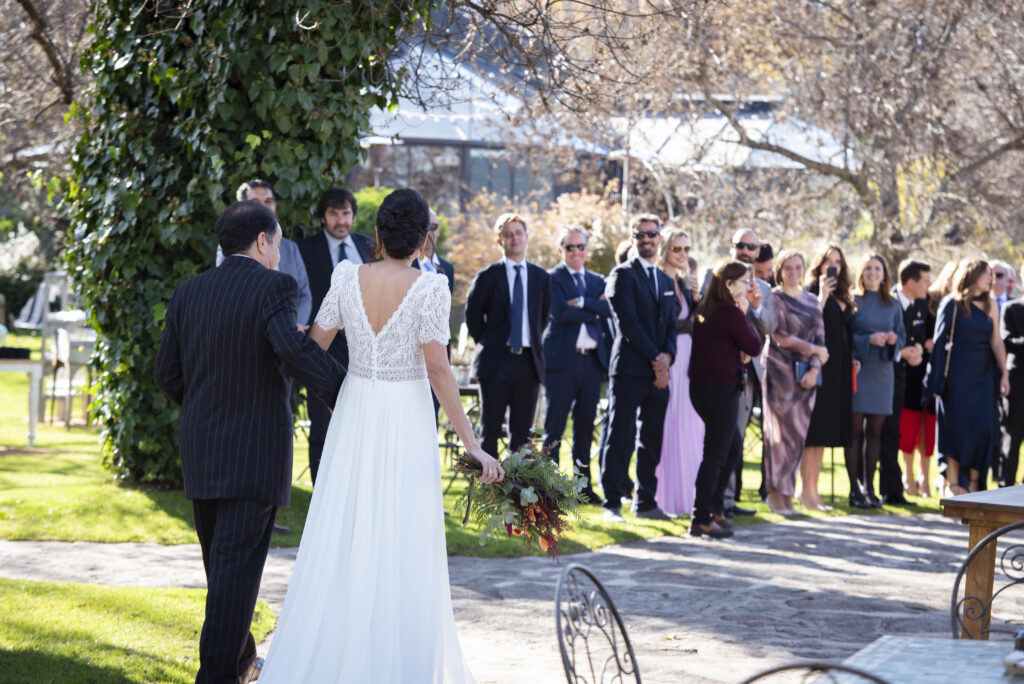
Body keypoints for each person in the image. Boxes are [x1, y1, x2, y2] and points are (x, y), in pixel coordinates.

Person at [258, 189, 504, 682]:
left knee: (347, 527)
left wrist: (334, 387)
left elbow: (314, 346)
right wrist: (472, 443)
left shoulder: (347, 277)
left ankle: (337, 653)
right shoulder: (430, 287)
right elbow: (438, 370)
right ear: (423, 239)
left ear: (377, 234)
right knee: (403, 533)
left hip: (355, 411)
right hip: (406, 418)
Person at [154, 201, 346, 684]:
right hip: (254, 452)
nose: (279, 255)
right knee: (233, 577)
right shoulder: (274, 286)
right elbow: (292, 350)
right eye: (277, 244)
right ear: (262, 241)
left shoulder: (189, 291)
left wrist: (203, 407)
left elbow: (166, 373)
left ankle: (241, 663)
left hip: (203, 451)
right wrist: (347, 393)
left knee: (224, 574)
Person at [600, 214, 678, 522]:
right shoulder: (622, 275)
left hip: (659, 373)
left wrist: (667, 358)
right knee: (620, 437)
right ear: (633, 240)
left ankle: (646, 502)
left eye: (651, 234)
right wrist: (657, 359)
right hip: (629, 370)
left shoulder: (666, 281)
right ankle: (611, 503)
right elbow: (628, 324)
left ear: (660, 238)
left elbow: (671, 326)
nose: (646, 239)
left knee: (652, 440)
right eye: (640, 235)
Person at [297, 188, 377, 484]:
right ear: (323, 217)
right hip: (322, 348)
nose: (341, 220)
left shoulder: (369, 246)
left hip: (364, 350)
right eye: (333, 214)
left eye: (346, 213)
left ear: (353, 215)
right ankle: (321, 490)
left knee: (363, 424)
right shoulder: (305, 249)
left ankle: (357, 486)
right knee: (321, 426)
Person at [465, 213, 551, 459]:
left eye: (518, 233)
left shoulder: (541, 278)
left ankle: (517, 484)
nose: (515, 238)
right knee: (489, 431)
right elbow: (473, 317)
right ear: (499, 241)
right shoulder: (487, 276)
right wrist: (489, 343)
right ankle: (489, 482)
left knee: (522, 437)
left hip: (528, 363)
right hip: (496, 362)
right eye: (508, 234)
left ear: (527, 237)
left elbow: (543, 318)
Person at [690, 260, 764, 538]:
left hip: (702, 389)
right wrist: (743, 315)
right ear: (729, 284)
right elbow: (754, 345)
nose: (748, 286)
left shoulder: (705, 309)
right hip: (720, 390)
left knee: (732, 448)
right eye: (744, 281)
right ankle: (700, 517)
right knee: (716, 454)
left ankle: (715, 507)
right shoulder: (730, 312)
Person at [925, 260, 1010, 493]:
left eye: (991, 274)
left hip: (984, 376)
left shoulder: (991, 305)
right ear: (971, 275)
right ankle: (954, 484)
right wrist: (935, 381)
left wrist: (1004, 373)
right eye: (986, 274)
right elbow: (940, 343)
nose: (990, 278)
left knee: (982, 428)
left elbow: (996, 340)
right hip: (956, 377)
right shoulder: (951, 304)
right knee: (955, 427)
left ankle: (974, 483)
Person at [541, 225, 610, 505]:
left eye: (581, 246)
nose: (576, 252)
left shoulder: (597, 280)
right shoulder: (552, 278)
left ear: (587, 249)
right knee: (555, 428)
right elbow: (560, 313)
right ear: (561, 250)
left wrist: (580, 302)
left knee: (584, 429)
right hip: (561, 363)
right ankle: (550, 487)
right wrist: (593, 309)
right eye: (570, 247)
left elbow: (608, 310)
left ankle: (583, 488)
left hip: (591, 363)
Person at [761, 250, 827, 514]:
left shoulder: (812, 301)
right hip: (779, 375)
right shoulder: (774, 297)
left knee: (798, 437)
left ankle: (788, 494)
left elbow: (822, 342)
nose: (793, 272)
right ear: (780, 270)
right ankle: (775, 495)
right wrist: (814, 350)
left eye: (798, 267)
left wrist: (815, 369)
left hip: (805, 379)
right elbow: (780, 337)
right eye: (788, 267)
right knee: (778, 438)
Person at [652, 228, 704, 515]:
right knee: (669, 425)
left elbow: (694, 320)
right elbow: (667, 323)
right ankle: (665, 496)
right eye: (677, 249)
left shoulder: (684, 283)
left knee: (691, 425)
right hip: (669, 357)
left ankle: (691, 496)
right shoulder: (657, 281)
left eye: (686, 249)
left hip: (689, 359)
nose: (683, 254)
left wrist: (696, 299)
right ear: (665, 251)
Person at [849, 254, 906, 508]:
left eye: (877, 269)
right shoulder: (852, 301)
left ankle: (870, 488)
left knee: (875, 431)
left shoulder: (893, 304)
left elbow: (902, 336)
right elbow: (844, 336)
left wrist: (894, 340)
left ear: (884, 275)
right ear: (861, 273)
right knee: (854, 430)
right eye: (868, 268)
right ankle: (854, 489)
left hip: (883, 372)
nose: (872, 273)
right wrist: (867, 339)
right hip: (858, 370)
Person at [217, 180, 312, 329]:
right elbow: (229, 294)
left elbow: (304, 295)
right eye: (255, 202)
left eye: (268, 201)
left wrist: (292, 326)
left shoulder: (290, 248)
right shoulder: (229, 246)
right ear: (241, 207)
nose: (263, 207)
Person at [803, 246, 856, 510]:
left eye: (837, 261)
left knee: (824, 434)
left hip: (839, 370)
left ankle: (814, 492)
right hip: (818, 366)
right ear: (819, 264)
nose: (832, 265)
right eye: (828, 261)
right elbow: (808, 323)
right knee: (813, 433)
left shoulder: (843, 293)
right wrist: (822, 296)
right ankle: (806, 492)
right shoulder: (811, 291)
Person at [886, 260, 933, 500]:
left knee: (898, 431)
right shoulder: (889, 300)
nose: (930, 285)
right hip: (884, 375)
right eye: (925, 280)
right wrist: (902, 353)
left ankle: (897, 489)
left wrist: (917, 351)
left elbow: (917, 337)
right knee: (886, 432)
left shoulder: (921, 303)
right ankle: (891, 486)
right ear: (911, 283)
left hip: (908, 376)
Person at [1000, 267, 1024, 487]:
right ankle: (1005, 486)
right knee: (1012, 437)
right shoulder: (1011, 308)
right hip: (1017, 385)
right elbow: (1006, 341)